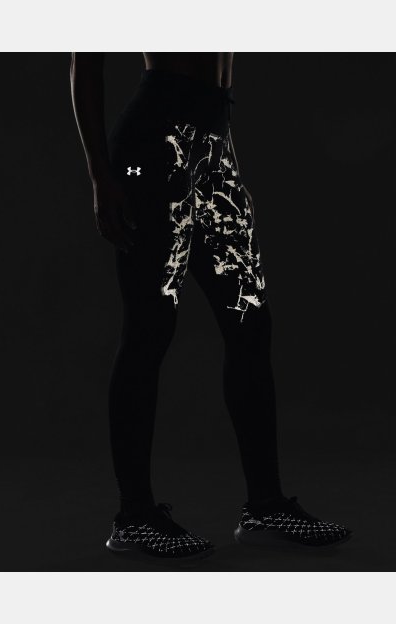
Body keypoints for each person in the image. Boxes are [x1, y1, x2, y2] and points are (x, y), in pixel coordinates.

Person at [70, 52, 353, 561]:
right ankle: (134, 517)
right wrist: (100, 174)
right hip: (154, 146)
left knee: (251, 325)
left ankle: (265, 507)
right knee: (150, 328)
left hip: (215, 147)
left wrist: (225, 155)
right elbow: (84, 61)